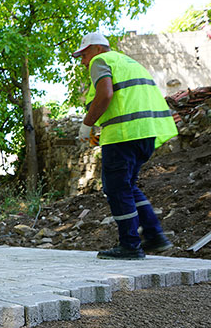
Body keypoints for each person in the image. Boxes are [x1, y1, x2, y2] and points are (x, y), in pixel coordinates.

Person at [72, 32, 178, 260]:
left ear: (98, 49)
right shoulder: (130, 63)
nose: (83, 60)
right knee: (128, 186)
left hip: (123, 136)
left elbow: (105, 94)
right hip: (145, 134)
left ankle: (130, 245)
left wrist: (87, 125)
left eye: (84, 54)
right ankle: (154, 236)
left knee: (116, 188)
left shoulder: (101, 61)